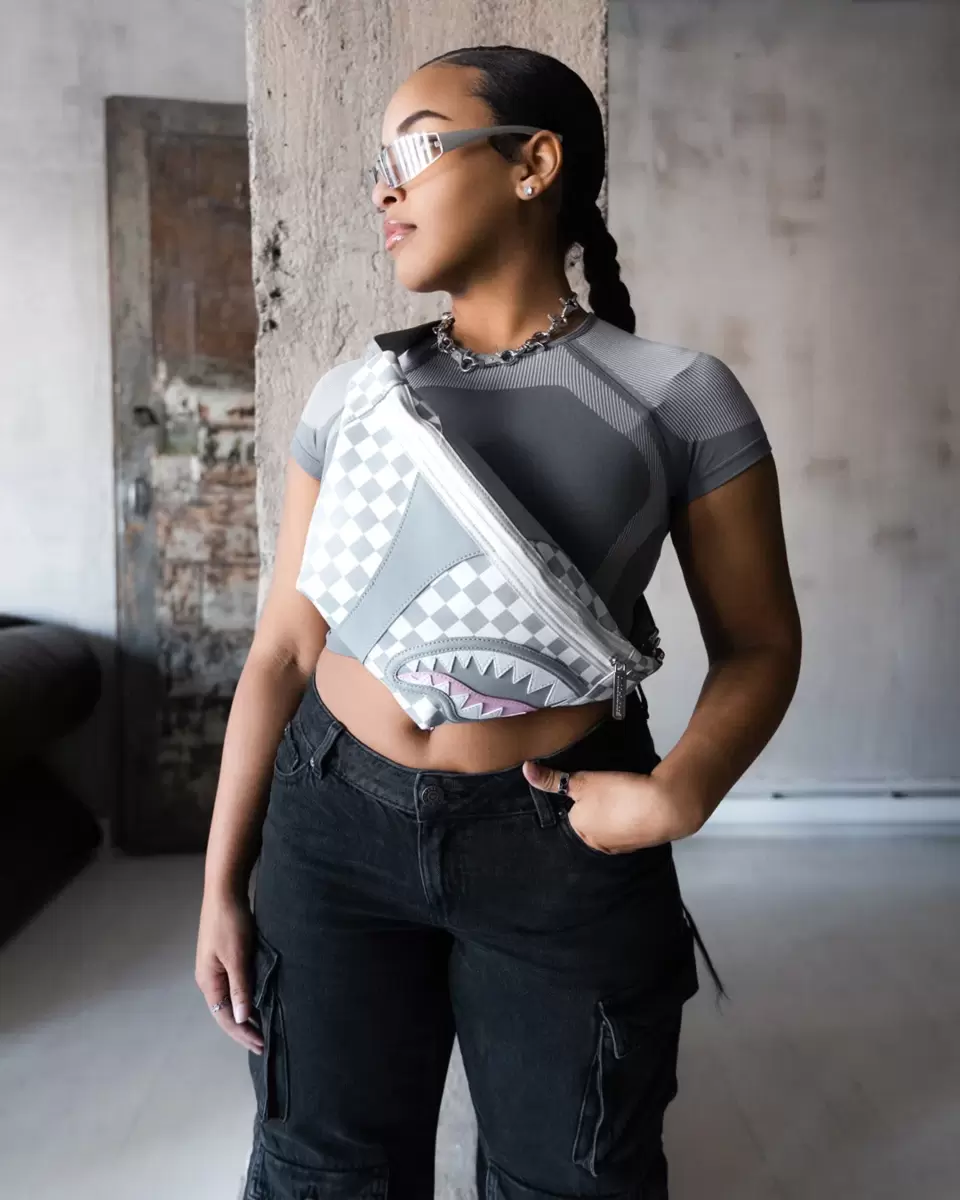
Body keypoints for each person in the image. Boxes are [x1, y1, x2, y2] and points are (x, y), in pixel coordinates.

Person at [196, 44, 801, 1200]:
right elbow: (283, 649)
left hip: (557, 842)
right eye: (377, 166)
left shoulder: (682, 397)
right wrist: (224, 880)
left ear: (534, 163)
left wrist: (678, 794)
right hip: (331, 828)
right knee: (320, 1173)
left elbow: (761, 644)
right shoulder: (351, 397)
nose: (384, 189)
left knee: (574, 1178)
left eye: (417, 150)